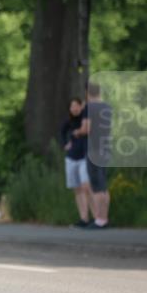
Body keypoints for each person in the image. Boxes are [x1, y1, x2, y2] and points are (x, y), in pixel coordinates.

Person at [73, 83, 112, 229]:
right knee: (103, 186)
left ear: (87, 92)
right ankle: (105, 218)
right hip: (106, 147)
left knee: (96, 186)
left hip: (94, 148)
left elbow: (86, 128)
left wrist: (77, 132)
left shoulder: (89, 108)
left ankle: (99, 220)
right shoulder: (107, 107)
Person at [60, 98, 91, 227]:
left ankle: (95, 217)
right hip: (71, 158)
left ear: (81, 106)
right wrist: (65, 144)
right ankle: (83, 218)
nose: (74, 108)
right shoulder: (68, 122)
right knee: (77, 189)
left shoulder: (86, 119)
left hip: (84, 157)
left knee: (86, 186)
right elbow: (61, 132)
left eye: (76, 106)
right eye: (72, 106)